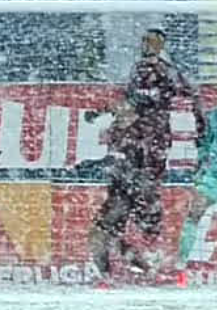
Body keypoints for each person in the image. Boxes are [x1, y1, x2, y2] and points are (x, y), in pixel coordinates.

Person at [85, 28, 204, 286]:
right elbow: (132, 101)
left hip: (146, 156)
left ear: (161, 45)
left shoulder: (165, 73)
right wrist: (106, 114)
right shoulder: (140, 74)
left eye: (153, 42)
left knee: (133, 210)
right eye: (145, 41)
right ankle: (128, 269)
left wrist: (201, 129)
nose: (147, 46)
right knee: (109, 224)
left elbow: (181, 96)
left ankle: (147, 263)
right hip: (132, 160)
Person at [176, 107, 217, 284]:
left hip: (211, 177)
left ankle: (180, 265)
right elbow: (204, 144)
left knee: (193, 216)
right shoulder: (213, 116)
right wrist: (200, 169)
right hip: (212, 177)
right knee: (193, 216)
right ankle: (180, 266)